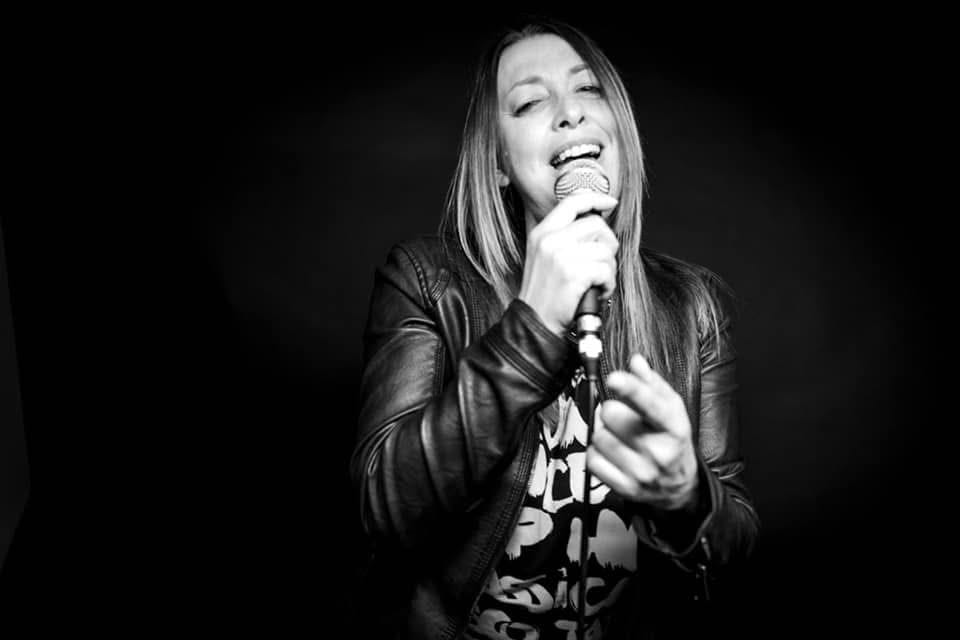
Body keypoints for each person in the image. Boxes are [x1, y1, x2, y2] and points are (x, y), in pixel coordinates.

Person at [350, 18, 759, 640]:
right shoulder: (427, 280)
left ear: (619, 130)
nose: (570, 113)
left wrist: (688, 496)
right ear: (499, 164)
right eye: (530, 102)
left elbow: (735, 541)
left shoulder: (693, 308)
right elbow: (384, 509)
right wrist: (533, 326)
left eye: (589, 89)